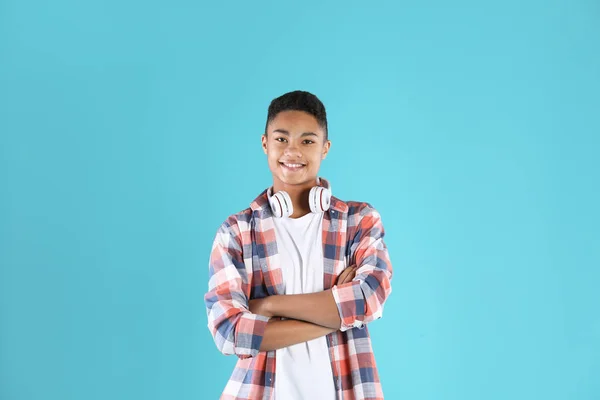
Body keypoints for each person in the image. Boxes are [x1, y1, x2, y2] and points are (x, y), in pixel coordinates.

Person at [204, 90, 393, 400]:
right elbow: (229, 332)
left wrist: (267, 306)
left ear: (325, 148)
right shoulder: (236, 232)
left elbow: (369, 299)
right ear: (264, 143)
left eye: (307, 141)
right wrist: (336, 312)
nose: (292, 151)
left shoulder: (359, 221)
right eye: (281, 139)